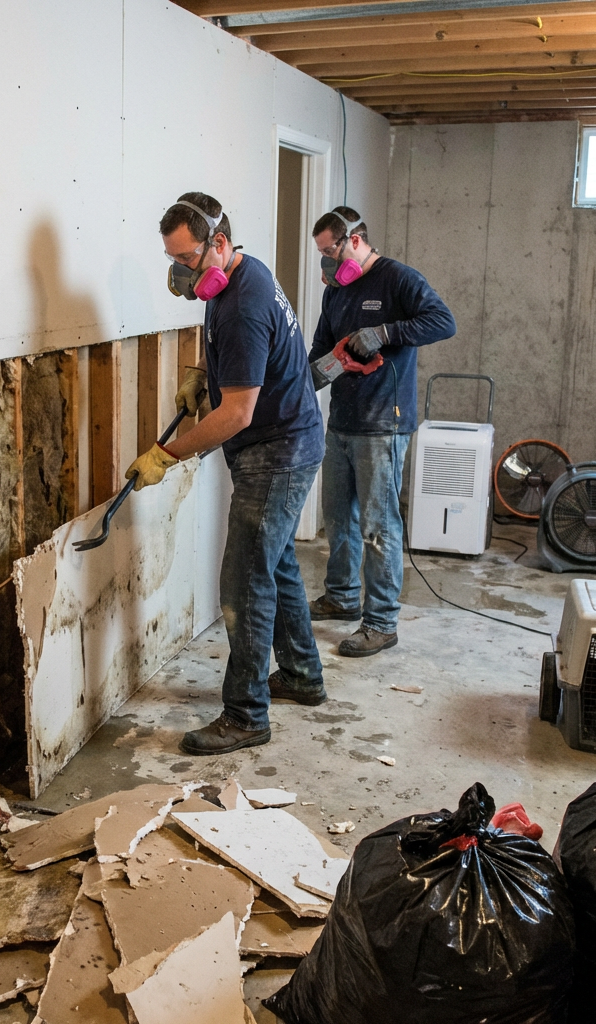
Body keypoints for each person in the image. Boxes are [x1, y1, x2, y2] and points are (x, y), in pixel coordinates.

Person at [126, 192, 326, 757]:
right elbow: (237, 355)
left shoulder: (242, 302)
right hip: (286, 441)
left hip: (277, 453)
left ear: (218, 243)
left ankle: (244, 716)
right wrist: (202, 372)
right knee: (277, 561)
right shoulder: (239, 276)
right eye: (172, 257)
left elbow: (237, 412)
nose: (179, 270)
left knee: (244, 582)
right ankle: (303, 675)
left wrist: (166, 455)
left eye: (186, 258)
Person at [308, 206, 456, 656]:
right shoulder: (336, 291)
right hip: (343, 421)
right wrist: (326, 367)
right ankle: (342, 598)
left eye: (329, 250)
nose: (325, 262)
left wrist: (385, 331)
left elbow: (443, 321)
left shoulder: (398, 279)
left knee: (378, 526)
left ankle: (381, 622)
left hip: (384, 425)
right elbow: (318, 350)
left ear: (354, 240)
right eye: (320, 253)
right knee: (338, 519)